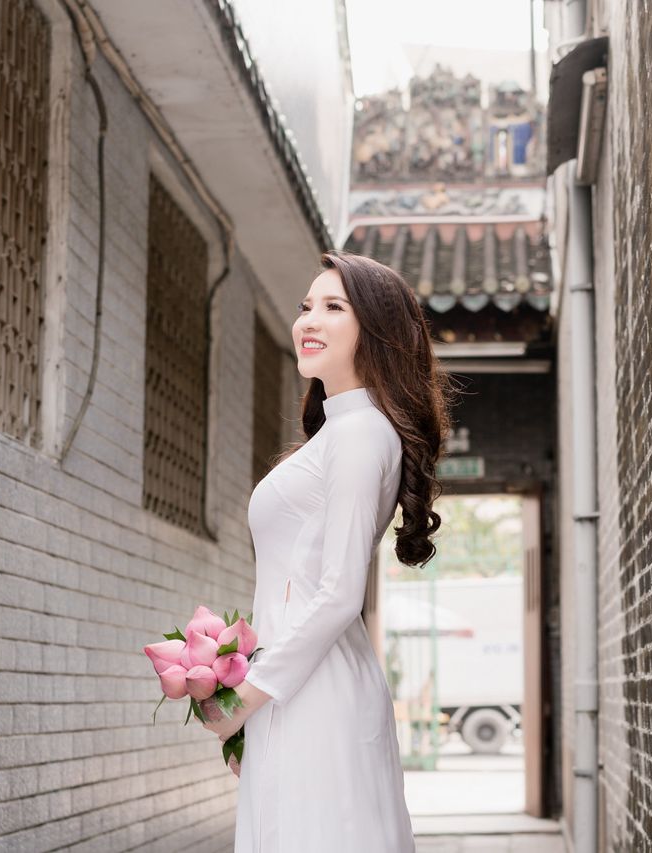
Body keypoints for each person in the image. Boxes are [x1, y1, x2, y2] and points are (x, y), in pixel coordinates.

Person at [199, 251, 455, 852]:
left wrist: (242, 700)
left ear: (378, 332)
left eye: (333, 307)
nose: (308, 320)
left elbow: (339, 593)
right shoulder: (340, 432)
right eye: (305, 306)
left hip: (314, 694)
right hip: (300, 686)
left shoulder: (362, 433)